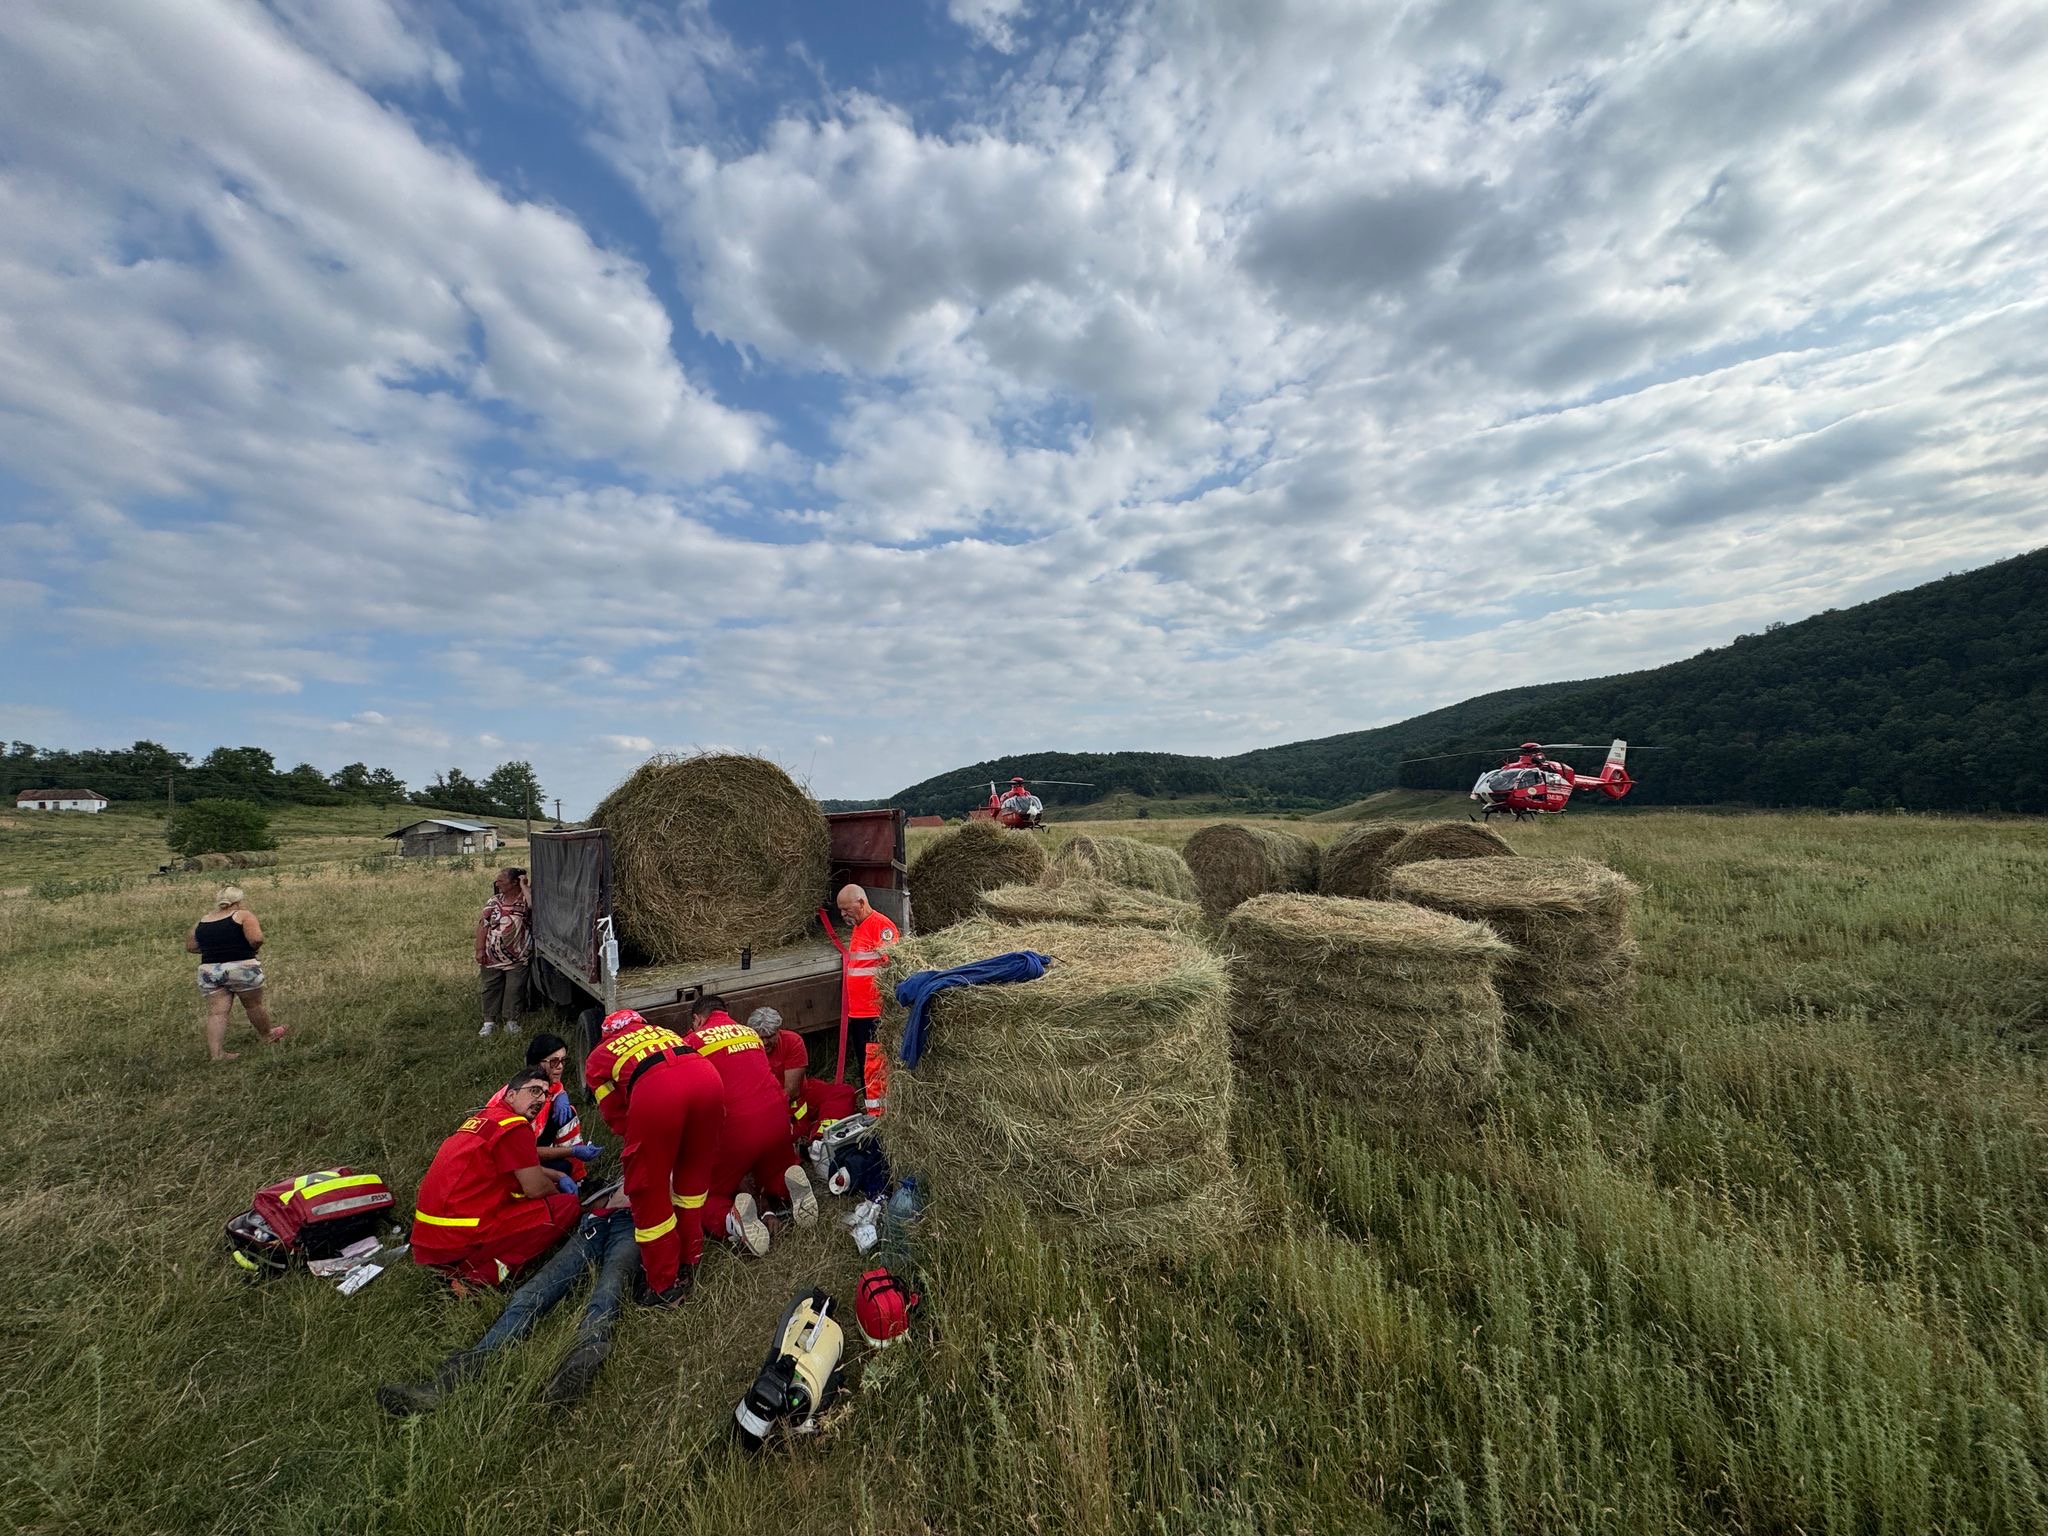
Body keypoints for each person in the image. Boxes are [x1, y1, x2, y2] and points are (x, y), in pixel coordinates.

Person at [376, 1184, 638, 1416]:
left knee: (608, 1289)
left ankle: (582, 1358)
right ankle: (450, 1381)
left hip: (638, 1226)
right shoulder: (635, 1151)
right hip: (597, 1223)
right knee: (531, 1293)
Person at [582, 1007, 725, 1305]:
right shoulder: (665, 1032)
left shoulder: (598, 1056)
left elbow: (616, 1114)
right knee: (693, 1177)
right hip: (708, 1080)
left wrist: (647, 1145)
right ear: (640, 1024)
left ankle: (663, 1284)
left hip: (658, 1092)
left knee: (648, 1191)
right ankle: (691, 1256)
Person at [411, 1067, 579, 1291]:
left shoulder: (486, 1119)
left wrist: (558, 1175)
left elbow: (517, 1167)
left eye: (546, 1095)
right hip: (459, 1237)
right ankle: (478, 1279)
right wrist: (557, 1197)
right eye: (535, 1091)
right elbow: (536, 1188)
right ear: (511, 1094)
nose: (541, 1099)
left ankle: (456, 1266)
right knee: (565, 1207)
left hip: (427, 1239)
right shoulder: (515, 1127)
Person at [684, 997, 816, 1252]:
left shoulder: (691, 1042)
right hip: (777, 1117)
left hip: (737, 1128)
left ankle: (731, 1220)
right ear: (726, 1013)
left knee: (705, 1193)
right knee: (773, 1167)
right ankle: (786, 1183)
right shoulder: (748, 1034)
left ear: (698, 1020)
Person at [185, 886, 285, 1062]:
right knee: (253, 1005)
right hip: (241, 967)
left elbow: (191, 946)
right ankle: (267, 1035)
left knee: (217, 1012)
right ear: (238, 901)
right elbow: (256, 938)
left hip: (209, 971)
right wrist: (250, 949)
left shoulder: (203, 920)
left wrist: (215, 950)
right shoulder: (244, 915)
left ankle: (217, 1054)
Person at [834, 884, 900, 1114]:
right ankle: (872, 1105)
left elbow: (894, 968)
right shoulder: (859, 927)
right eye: (840, 910)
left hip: (874, 1012)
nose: (842, 915)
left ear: (861, 903)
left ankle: (881, 1113)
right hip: (859, 1012)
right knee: (866, 1061)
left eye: (846, 909)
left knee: (875, 1063)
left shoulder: (881, 926)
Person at [524, 1033, 599, 1186]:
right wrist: (572, 1152)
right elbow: (525, 1153)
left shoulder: (542, 1082)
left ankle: (579, 1179)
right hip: (516, 1160)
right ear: (537, 1063)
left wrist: (561, 1095)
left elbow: (556, 1087)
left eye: (563, 1061)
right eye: (553, 1062)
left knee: (567, 1113)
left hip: (532, 1145)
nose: (560, 1067)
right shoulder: (525, 1101)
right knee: (561, 1171)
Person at [475, 868, 531, 1038]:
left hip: (517, 957)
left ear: (514, 882)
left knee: (514, 989)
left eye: (502, 881)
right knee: (490, 987)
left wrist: (523, 885)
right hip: (492, 957)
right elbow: (483, 925)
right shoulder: (494, 901)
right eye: (497, 881)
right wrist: (480, 949)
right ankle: (489, 1023)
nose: (497, 884)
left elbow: (534, 905)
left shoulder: (524, 899)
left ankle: (511, 1022)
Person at [747, 1007, 809, 1109]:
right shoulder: (746, 1046)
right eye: (760, 1038)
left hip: (790, 1101)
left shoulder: (792, 1041)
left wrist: (765, 1106)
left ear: (778, 1031)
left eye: (770, 1037)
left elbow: (792, 1091)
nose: (765, 1042)